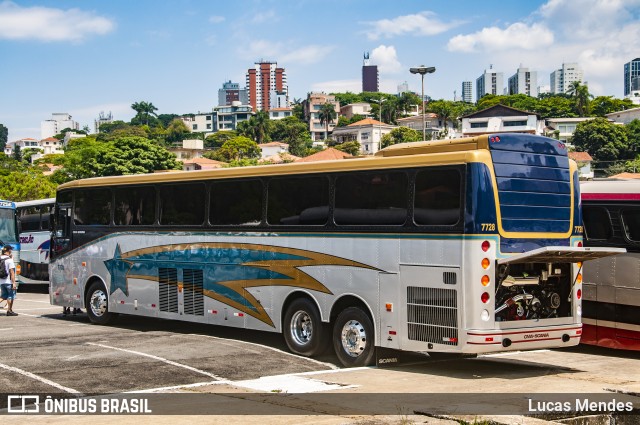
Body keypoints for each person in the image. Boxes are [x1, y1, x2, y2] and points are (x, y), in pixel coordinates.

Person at [0, 245, 17, 316]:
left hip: (1, 281)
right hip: (8, 281)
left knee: (3, 296)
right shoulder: (9, 260)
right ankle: (9, 311)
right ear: (8, 251)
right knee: (11, 296)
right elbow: (12, 272)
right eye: (11, 250)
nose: (11, 251)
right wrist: (14, 283)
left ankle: (10, 310)